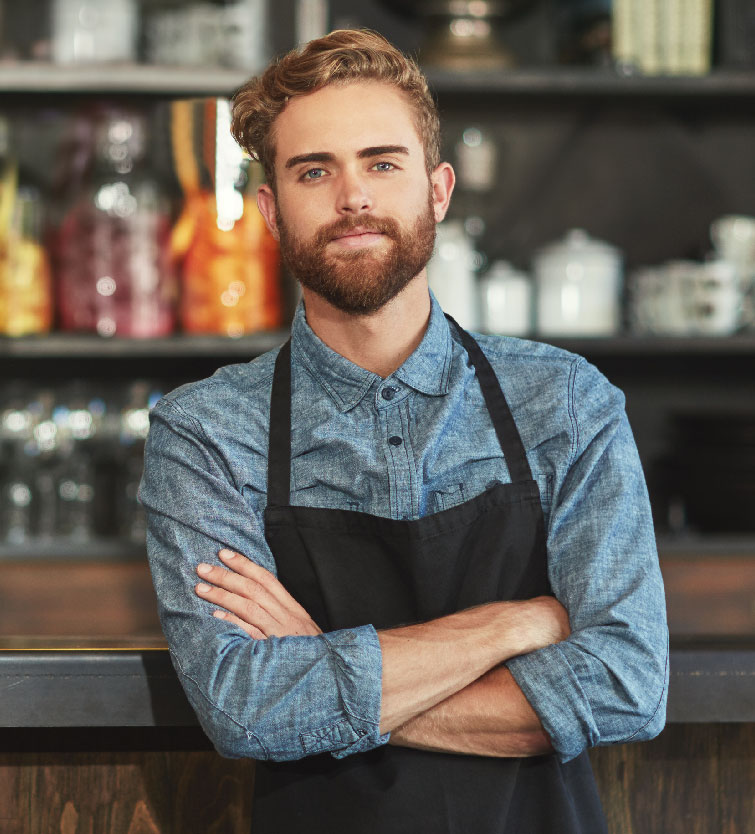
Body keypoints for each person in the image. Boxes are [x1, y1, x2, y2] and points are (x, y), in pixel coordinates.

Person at [138, 28, 668, 833]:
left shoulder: (563, 402)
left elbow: (627, 684)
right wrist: (518, 623)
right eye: (314, 171)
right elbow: (245, 711)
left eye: (382, 164)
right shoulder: (205, 431)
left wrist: (320, 664)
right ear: (272, 212)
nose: (352, 197)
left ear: (437, 191)